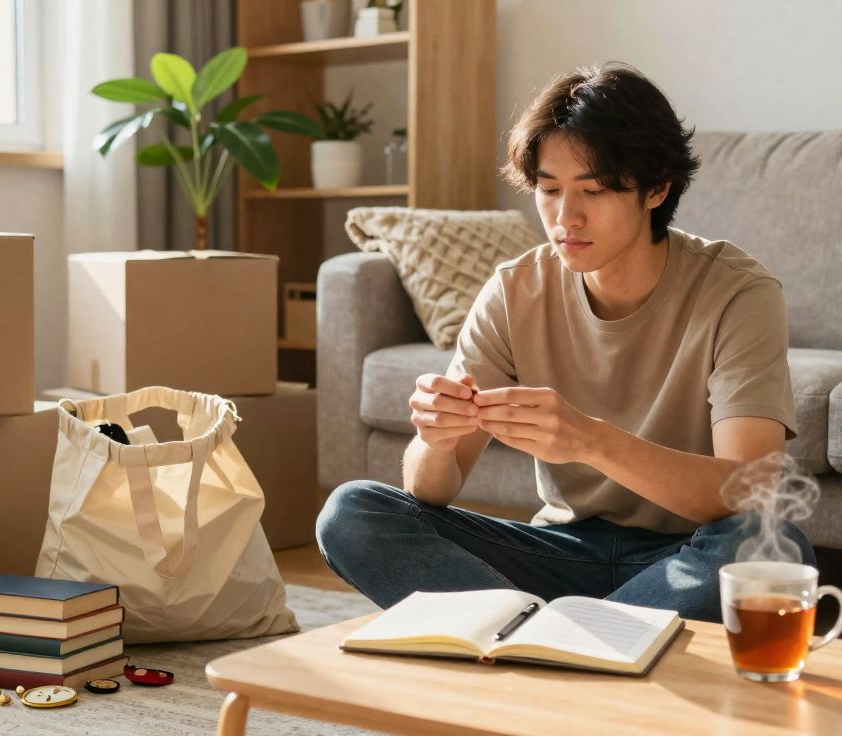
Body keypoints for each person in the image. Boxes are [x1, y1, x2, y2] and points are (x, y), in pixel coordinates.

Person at [315, 63, 814, 622]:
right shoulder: (515, 289)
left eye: (593, 191)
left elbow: (750, 490)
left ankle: (539, 637)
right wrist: (434, 439)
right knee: (353, 512)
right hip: (558, 551)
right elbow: (430, 491)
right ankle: (591, 639)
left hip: (686, 552)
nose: (564, 218)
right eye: (548, 190)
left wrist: (592, 441)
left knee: (770, 545)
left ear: (657, 187)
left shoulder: (737, 291)